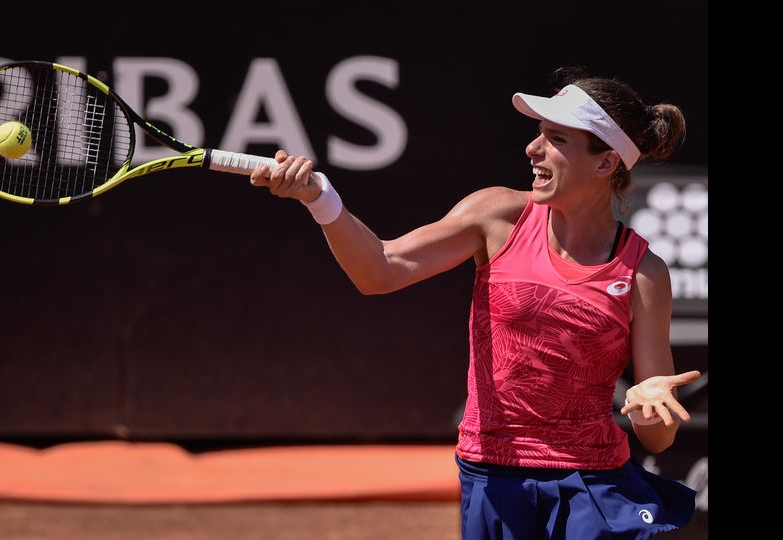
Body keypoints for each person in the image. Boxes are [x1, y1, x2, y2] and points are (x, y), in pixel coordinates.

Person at [248, 69, 701, 539]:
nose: (533, 149)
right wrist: (319, 197)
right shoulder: (496, 215)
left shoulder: (644, 273)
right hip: (492, 474)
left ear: (606, 164)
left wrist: (647, 408)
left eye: (556, 139)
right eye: (538, 135)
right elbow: (379, 269)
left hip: (593, 482)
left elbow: (658, 434)